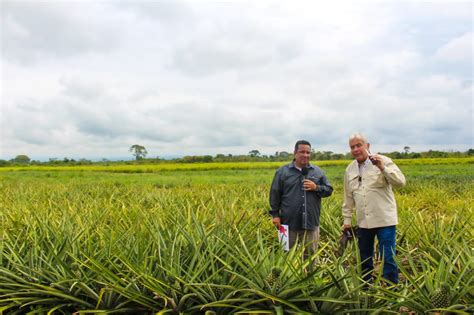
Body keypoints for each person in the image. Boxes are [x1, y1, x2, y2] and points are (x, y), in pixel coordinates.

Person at [342, 133, 406, 285]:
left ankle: (391, 290)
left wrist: (382, 168)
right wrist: (347, 220)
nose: (356, 149)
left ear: (368, 146)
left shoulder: (383, 161)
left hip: (384, 220)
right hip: (364, 221)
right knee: (364, 257)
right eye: (352, 147)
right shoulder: (350, 169)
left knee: (388, 257)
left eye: (359, 145)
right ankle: (366, 289)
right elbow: (348, 197)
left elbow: (400, 182)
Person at [269, 140, 333, 258]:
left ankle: (310, 276)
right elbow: (275, 193)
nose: (305, 155)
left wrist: (316, 187)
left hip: (311, 223)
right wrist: (275, 215)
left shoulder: (317, 171)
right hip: (287, 223)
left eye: (308, 152)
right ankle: (287, 277)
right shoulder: (282, 172)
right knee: (286, 256)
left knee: (311, 257)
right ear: (295, 152)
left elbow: (329, 190)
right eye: (302, 152)